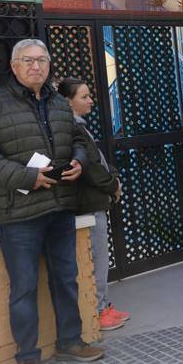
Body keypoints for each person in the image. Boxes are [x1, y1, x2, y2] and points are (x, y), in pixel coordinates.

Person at [0, 39, 104, 364]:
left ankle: (70, 341)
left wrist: (78, 161)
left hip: (60, 207)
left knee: (65, 280)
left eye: (41, 60)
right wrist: (28, 177)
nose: (35, 66)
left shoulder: (58, 103)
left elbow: (78, 141)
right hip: (18, 213)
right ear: (14, 66)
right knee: (24, 288)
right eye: (27, 60)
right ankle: (27, 360)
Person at [57, 77, 130, 331]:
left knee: (101, 255)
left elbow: (97, 161)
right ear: (68, 101)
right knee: (98, 258)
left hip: (95, 200)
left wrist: (112, 176)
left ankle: (105, 305)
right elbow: (90, 167)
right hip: (88, 202)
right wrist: (113, 184)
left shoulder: (79, 126)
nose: (90, 101)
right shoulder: (71, 129)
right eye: (84, 97)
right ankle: (99, 311)